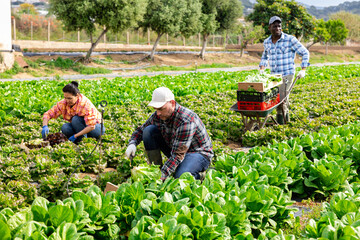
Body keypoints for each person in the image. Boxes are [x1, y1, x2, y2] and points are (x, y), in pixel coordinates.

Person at [125, 87, 213, 181]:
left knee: (181, 177)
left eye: (161, 109)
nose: (158, 113)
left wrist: (160, 177)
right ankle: (156, 169)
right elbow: (140, 130)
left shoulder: (186, 120)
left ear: (172, 103)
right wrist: (132, 143)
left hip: (197, 153)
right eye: (156, 109)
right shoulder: (159, 115)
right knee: (148, 131)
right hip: (176, 148)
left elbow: (177, 155)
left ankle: (200, 175)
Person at [259, 16, 310, 124]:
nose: (277, 28)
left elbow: (305, 52)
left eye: (279, 26)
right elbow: (264, 56)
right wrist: (262, 68)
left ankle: (284, 124)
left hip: (287, 74)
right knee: (277, 99)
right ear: (270, 28)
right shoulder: (267, 42)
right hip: (274, 76)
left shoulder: (290, 39)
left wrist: (303, 69)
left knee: (282, 99)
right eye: (275, 26)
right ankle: (281, 123)